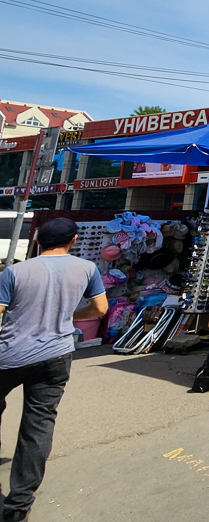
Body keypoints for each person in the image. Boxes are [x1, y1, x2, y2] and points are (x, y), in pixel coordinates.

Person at [0, 218, 107, 522]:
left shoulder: (15, 272)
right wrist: (69, 317)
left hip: (10, 355)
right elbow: (100, 309)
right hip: (56, 356)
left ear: (36, 240)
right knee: (38, 425)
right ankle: (19, 504)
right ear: (73, 239)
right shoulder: (86, 269)